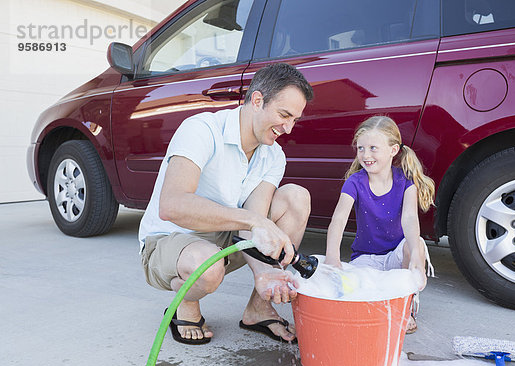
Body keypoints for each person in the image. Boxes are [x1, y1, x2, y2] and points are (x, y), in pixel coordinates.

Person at [138, 63, 314, 345]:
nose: (289, 128)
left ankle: (258, 309)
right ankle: (186, 305)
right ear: (257, 101)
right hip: (169, 239)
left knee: (296, 197)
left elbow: (252, 223)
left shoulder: (273, 156)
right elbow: (172, 205)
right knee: (206, 267)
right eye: (283, 115)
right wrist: (255, 222)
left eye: (295, 119)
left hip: (223, 237)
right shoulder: (202, 130)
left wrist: (265, 273)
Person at [325, 116, 435, 333]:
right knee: (353, 299)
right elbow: (338, 219)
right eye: (361, 148)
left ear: (393, 150)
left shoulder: (405, 182)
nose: (366, 155)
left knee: (417, 244)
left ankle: (405, 307)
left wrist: (415, 257)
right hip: (366, 259)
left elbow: (410, 218)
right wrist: (332, 256)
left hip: (395, 256)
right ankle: (383, 299)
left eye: (373, 148)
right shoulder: (355, 182)